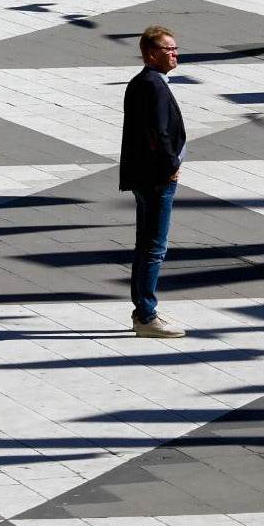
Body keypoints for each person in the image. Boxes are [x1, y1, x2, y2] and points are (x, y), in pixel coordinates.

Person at [120, 26, 187, 338]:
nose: (175, 54)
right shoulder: (154, 86)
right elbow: (156, 134)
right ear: (150, 54)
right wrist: (172, 164)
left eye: (175, 48)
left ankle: (143, 311)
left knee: (145, 245)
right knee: (154, 248)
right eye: (168, 50)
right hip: (157, 178)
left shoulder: (141, 82)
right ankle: (146, 315)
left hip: (143, 176)